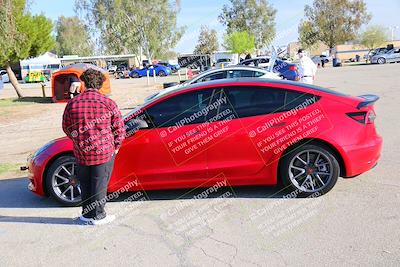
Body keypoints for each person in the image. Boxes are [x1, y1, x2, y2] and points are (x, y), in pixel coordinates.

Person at [62, 68, 126, 225]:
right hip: (103, 152)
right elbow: (119, 128)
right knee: (99, 184)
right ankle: (98, 216)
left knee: (84, 183)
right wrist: (116, 146)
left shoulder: (73, 103)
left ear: (84, 83)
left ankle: (86, 214)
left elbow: (66, 127)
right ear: (100, 85)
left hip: (81, 152)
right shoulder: (108, 103)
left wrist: (78, 139)